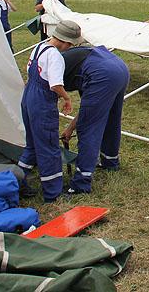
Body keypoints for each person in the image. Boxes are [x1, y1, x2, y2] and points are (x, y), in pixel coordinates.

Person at [16, 20, 77, 202]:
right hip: (42, 102)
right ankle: (53, 193)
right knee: (48, 146)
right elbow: (55, 84)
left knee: (32, 144)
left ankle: (16, 182)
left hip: (28, 98)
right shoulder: (56, 56)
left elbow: (31, 72)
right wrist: (66, 98)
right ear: (66, 42)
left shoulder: (39, 47)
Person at [59, 45, 130, 194]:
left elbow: (88, 114)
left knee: (88, 128)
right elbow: (89, 106)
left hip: (102, 72)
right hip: (118, 67)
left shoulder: (52, 73)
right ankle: (110, 161)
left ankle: (81, 183)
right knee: (111, 119)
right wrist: (70, 128)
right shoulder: (73, 63)